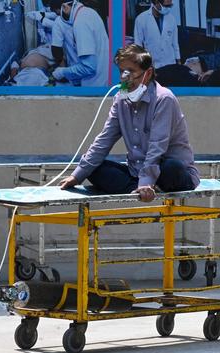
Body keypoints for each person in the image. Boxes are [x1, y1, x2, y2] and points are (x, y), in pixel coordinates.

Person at [59, 44, 199, 202]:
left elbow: (157, 145)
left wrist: (147, 181)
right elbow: (105, 139)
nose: (125, 77)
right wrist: (77, 175)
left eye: (131, 71)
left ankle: (146, 187)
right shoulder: (120, 99)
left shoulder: (163, 99)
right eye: (122, 71)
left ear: (148, 73)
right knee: (94, 169)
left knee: (171, 168)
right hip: (137, 174)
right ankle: (140, 189)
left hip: (170, 173)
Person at [51, 0, 109, 86]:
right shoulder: (90, 12)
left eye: (59, 14)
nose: (60, 18)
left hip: (93, 84)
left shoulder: (80, 23)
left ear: (64, 7)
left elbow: (89, 67)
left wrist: (62, 72)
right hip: (104, 78)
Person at [134, 0, 181, 69]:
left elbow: (175, 43)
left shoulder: (171, 19)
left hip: (170, 62)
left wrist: (178, 60)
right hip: (153, 64)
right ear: (156, 2)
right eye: (166, 6)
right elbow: (138, 45)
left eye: (170, 6)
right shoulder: (141, 19)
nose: (168, 9)